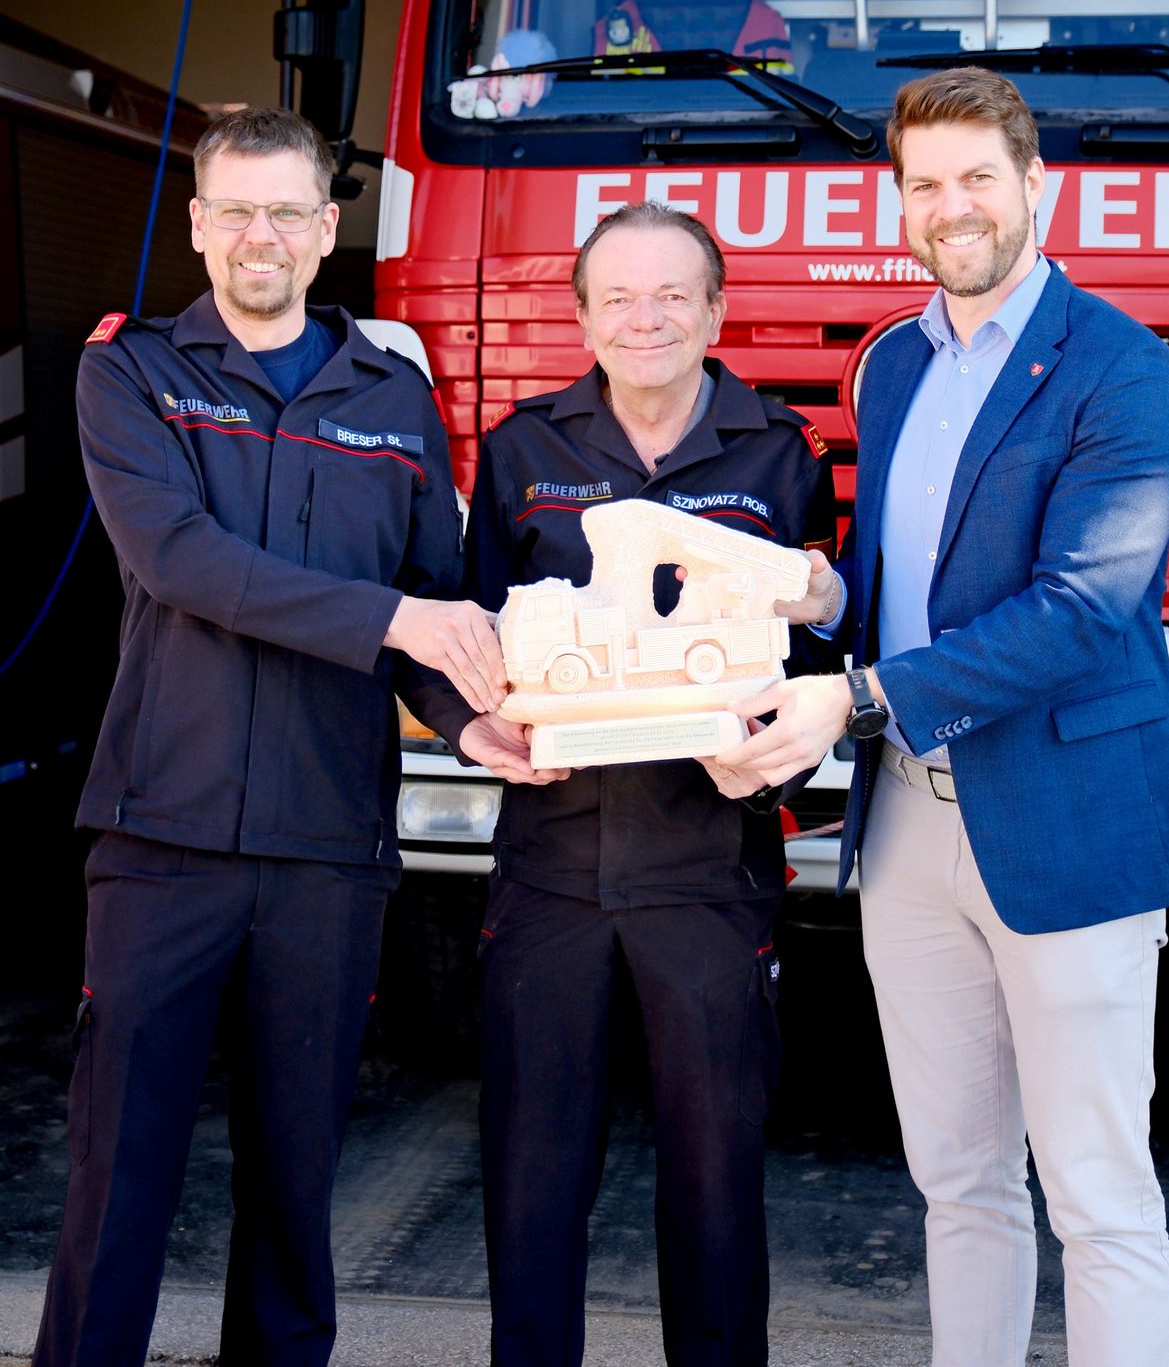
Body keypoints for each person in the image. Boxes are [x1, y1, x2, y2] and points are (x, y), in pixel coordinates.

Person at [35, 106, 554, 1367]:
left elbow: (437, 604)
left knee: (295, 1184)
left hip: (328, 847)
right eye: (234, 211)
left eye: (286, 212)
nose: (258, 235)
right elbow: (183, 562)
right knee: (121, 1175)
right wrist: (403, 623)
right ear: (201, 225)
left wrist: (470, 724)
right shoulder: (132, 371)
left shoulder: (393, 398)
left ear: (329, 230)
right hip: (164, 835)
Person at [718, 68, 1169, 1367]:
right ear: (897, 202)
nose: (952, 208)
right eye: (924, 185)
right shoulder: (889, 366)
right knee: (958, 1186)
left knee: (1098, 1199)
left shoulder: (1121, 371)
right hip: (907, 840)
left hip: (1065, 822)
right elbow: (902, 585)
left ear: (1033, 185)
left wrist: (859, 695)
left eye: (976, 178)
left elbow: (1083, 611)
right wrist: (824, 596)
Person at [421, 201, 835, 1366]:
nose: (644, 318)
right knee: (532, 1179)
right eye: (618, 297)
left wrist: (778, 734)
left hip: (709, 872)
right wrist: (470, 733)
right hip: (549, 868)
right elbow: (467, 642)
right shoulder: (521, 449)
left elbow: (812, 667)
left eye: (671, 296)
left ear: (714, 310)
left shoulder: (782, 453)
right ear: (583, 317)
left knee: (714, 1188)